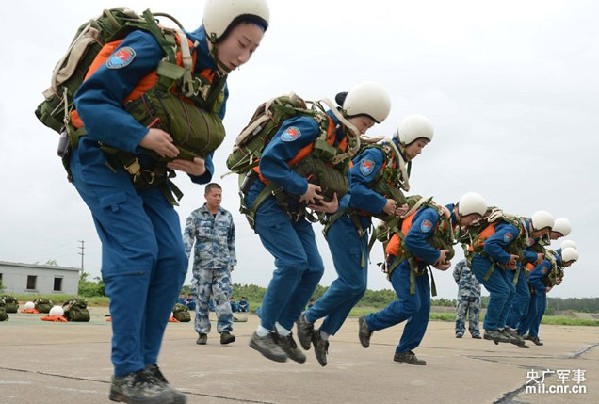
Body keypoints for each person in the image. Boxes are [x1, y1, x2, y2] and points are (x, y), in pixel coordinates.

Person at [67, 1, 269, 402]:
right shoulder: (152, 46)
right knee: (137, 250)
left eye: (253, 51)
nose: (244, 57)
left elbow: (206, 154)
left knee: (174, 258)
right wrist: (141, 136)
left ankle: (146, 367)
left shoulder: (215, 85)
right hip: (100, 158)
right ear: (218, 28)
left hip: (149, 175)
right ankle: (126, 373)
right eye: (241, 44)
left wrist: (199, 168)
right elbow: (89, 103)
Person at [244, 81, 392, 364]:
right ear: (353, 111)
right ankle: (262, 332)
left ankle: (282, 329)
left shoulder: (344, 143)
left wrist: (334, 204)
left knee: (314, 268)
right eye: (366, 121)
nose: (367, 128)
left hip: (293, 205)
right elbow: (269, 164)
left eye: (372, 124)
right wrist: (301, 188)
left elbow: (339, 183)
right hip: (265, 198)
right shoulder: (309, 126)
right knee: (292, 262)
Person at [297, 114, 434, 366]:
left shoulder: (395, 163)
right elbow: (353, 186)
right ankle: (307, 317)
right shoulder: (379, 155)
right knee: (350, 282)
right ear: (407, 138)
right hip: (344, 218)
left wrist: (392, 209)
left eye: (424, 146)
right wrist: (384, 203)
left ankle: (324, 335)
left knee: (357, 288)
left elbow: (373, 196)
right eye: (419, 144)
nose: (420, 151)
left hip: (359, 224)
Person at [358, 192, 488, 365]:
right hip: (401, 261)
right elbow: (412, 240)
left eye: (475, 219)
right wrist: (435, 255)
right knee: (410, 304)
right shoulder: (433, 214)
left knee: (422, 310)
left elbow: (426, 246)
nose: (472, 222)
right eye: (472, 217)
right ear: (464, 210)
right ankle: (369, 322)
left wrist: (436, 262)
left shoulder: (450, 225)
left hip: (417, 265)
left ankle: (404, 351)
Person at [469, 209, 554, 347]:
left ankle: (501, 327)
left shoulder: (521, 232)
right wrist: (506, 257)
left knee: (510, 290)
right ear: (539, 226)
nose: (540, 236)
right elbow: (490, 244)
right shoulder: (514, 229)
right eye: (542, 232)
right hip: (481, 259)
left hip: (491, 260)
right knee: (501, 291)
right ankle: (490, 328)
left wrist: (507, 260)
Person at [184, 183, 237, 347]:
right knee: (202, 299)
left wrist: (232, 260)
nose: (218, 198)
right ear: (206, 196)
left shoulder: (227, 216)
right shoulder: (196, 216)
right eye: (215, 195)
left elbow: (231, 240)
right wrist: (182, 258)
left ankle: (225, 331)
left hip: (222, 265)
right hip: (203, 266)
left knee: (223, 297)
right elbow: (187, 239)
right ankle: (202, 332)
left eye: (220, 195)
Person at [452, 259, 481, 339]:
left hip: (475, 293)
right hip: (463, 294)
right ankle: (459, 331)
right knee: (460, 313)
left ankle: (475, 332)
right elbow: (455, 273)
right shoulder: (462, 263)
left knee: (475, 314)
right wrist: (461, 283)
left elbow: (484, 275)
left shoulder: (480, 262)